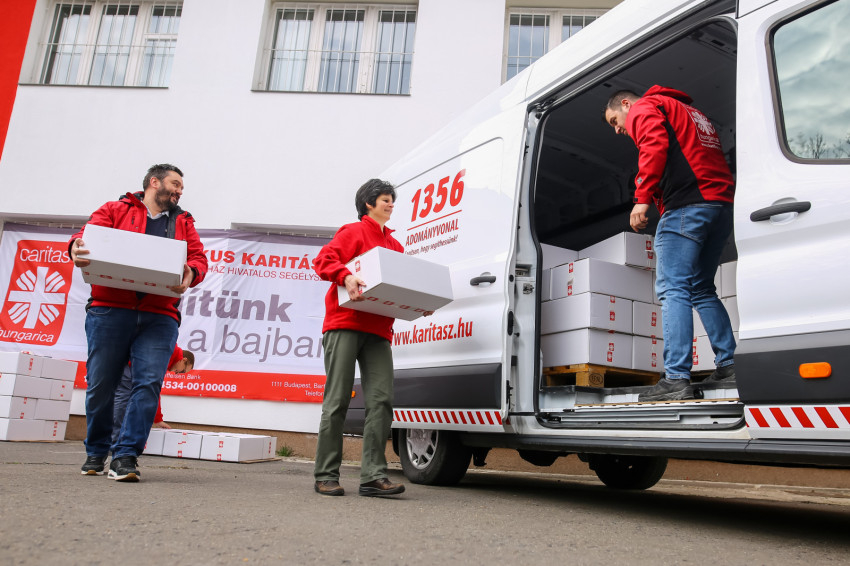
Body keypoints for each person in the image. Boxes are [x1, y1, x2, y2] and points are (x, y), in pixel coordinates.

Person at [69, 163, 207, 481]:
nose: (180, 191)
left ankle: (126, 456)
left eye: (181, 187)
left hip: (160, 316)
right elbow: (85, 236)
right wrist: (74, 246)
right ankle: (96, 450)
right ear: (154, 182)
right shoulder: (114, 210)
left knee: (147, 384)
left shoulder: (184, 222)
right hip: (109, 310)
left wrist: (192, 272)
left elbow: (198, 258)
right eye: (175, 184)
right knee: (101, 385)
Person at [603, 86, 736, 402]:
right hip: (719, 206)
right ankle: (729, 365)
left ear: (626, 104)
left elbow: (654, 146)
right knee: (701, 288)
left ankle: (676, 378)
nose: (618, 130)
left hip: (687, 208)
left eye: (614, 121)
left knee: (673, 289)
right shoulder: (691, 112)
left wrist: (642, 199)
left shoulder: (645, 107)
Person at [312, 179, 411, 497]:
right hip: (344, 323)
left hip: (379, 331)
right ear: (369, 203)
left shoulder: (396, 246)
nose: (391, 204)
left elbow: (399, 287)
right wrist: (346, 276)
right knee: (338, 399)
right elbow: (323, 261)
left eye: (392, 200)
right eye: (385, 199)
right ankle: (326, 474)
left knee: (381, 401)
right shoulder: (352, 232)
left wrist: (417, 303)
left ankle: (373, 476)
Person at [111, 347, 195, 446]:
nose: (176, 373)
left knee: (130, 400)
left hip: (126, 363)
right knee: (123, 400)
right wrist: (158, 419)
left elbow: (153, 390)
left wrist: (157, 419)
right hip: (125, 363)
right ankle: (115, 443)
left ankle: (117, 441)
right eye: (182, 371)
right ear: (184, 360)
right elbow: (154, 390)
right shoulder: (167, 356)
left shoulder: (169, 355)